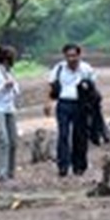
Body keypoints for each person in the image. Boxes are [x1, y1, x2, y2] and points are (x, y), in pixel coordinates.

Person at [43, 43, 98, 177]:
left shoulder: (86, 69)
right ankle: (63, 165)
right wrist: (47, 103)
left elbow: (93, 88)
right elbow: (51, 86)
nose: (71, 59)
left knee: (79, 136)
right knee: (63, 135)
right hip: (63, 104)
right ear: (64, 56)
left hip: (80, 105)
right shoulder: (59, 68)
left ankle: (79, 166)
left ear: (79, 55)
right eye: (68, 56)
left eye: (74, 56)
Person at [0, 44, 20, 183]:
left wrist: (13, 88)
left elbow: (16, 89)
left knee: (13, 141)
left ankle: (10, 173)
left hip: (10, 109)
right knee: (3, 140)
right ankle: (0, 174)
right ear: (6, 58)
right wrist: (3, 87)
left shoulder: (9, 72)